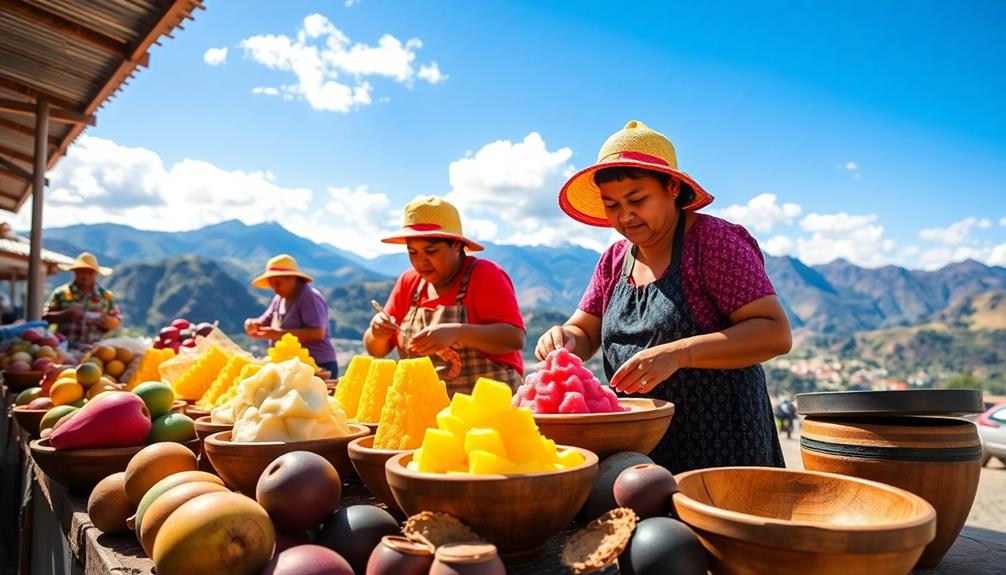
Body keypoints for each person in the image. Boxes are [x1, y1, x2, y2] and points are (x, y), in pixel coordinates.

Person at [536, 120, 792, 473]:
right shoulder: (614, 260)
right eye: (611, 205)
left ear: (672, 187)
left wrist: (680, 354)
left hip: (721, 445)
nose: (625, 216)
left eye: (637, 200)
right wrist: (563, 339)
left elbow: (773, 332)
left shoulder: (712, 243)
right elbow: (585, 332)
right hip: (639, 449)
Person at [363, 196, 526, 395]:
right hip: (423, 409)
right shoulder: (409, 282)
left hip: (486, 412)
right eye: (413, 252)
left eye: (430, 251)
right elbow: (376, 349)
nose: (420, 262)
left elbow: (514, 339)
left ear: (456, 245)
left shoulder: (485, 275)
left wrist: (457, 332)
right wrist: (378, 331)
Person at [244, 254, 339, 376]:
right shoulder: (279, 298)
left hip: (317, 365)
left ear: (292, 278)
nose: (274, 288)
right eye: (271, 284)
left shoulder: (309, 296)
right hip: (292, 366)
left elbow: (317, 333)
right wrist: (252, 323)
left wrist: (277, 334)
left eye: (277, 283)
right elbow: (264, 320)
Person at [43, 252, 122, 351]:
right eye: (82, 271)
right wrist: (64, 315)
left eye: (90, 272)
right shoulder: (61, 293)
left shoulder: (106, 296)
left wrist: (104, 321)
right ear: (75, 272)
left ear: (96, 274)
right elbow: (44, 317)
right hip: (63, 350)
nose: (86, 276)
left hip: (95, 352)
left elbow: (117, 320)